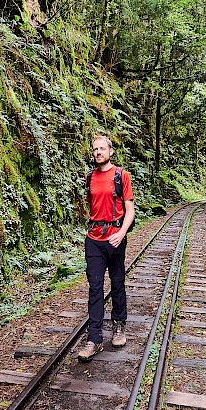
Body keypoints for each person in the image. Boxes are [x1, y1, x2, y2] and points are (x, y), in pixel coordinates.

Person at [78, 136, 135, 362]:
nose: (98, 152)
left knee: (117, 282)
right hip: (94, 239)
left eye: (102, 148)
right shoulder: (90, 177)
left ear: (110, 151)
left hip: (115, 239)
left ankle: (119, 325)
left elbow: (129, 210)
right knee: (95, 287)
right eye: (95, 149)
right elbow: (92, 207)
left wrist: (120, 234)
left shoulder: (122, 176)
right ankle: (94, 339)